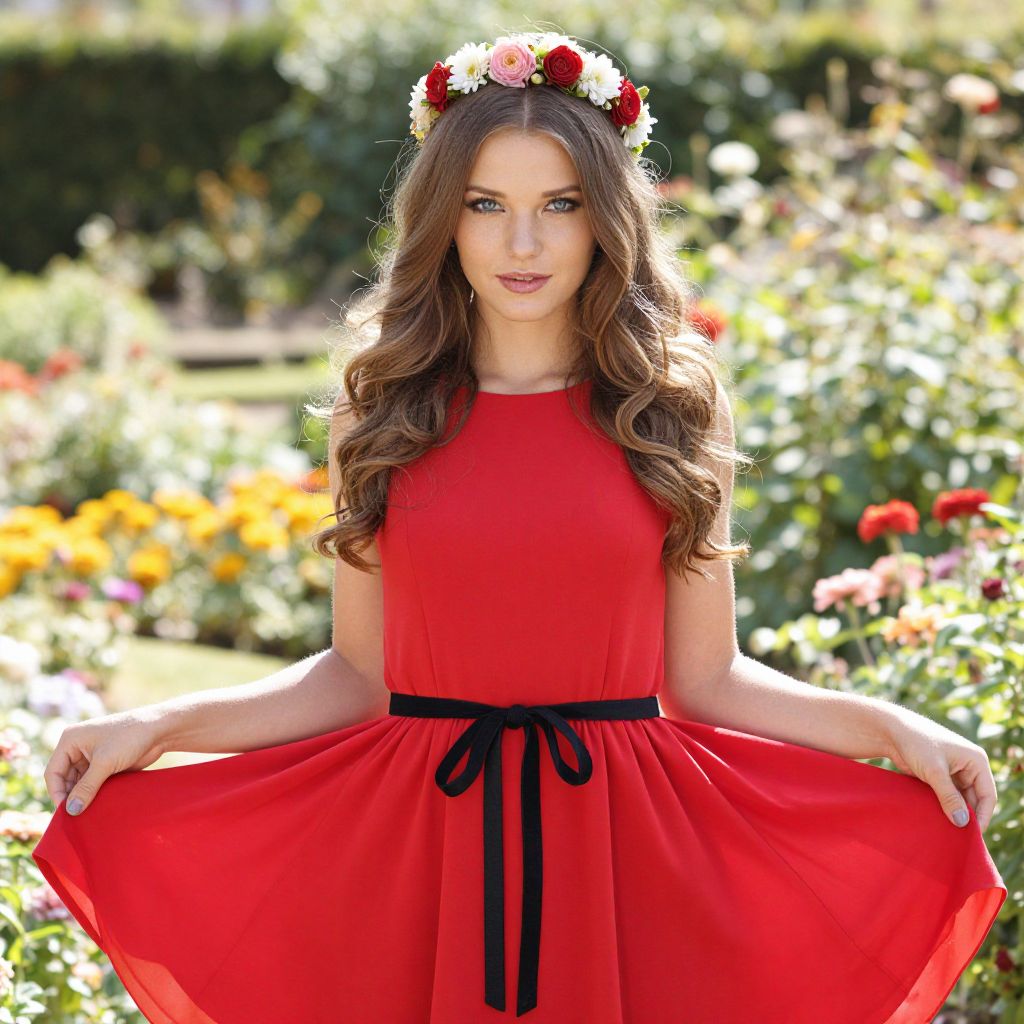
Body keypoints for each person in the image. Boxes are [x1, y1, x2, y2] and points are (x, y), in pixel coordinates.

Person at [33, 29, 1005, 1024]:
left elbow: (706, 678)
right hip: (420, 849)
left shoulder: (667, 408)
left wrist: (892, 728)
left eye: (559, 206)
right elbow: (356, 675)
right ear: (443, 220)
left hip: (626, 853)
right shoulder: (379, 414)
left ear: (605, 219)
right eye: (485, 205)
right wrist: (161, 724)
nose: (522, 244)